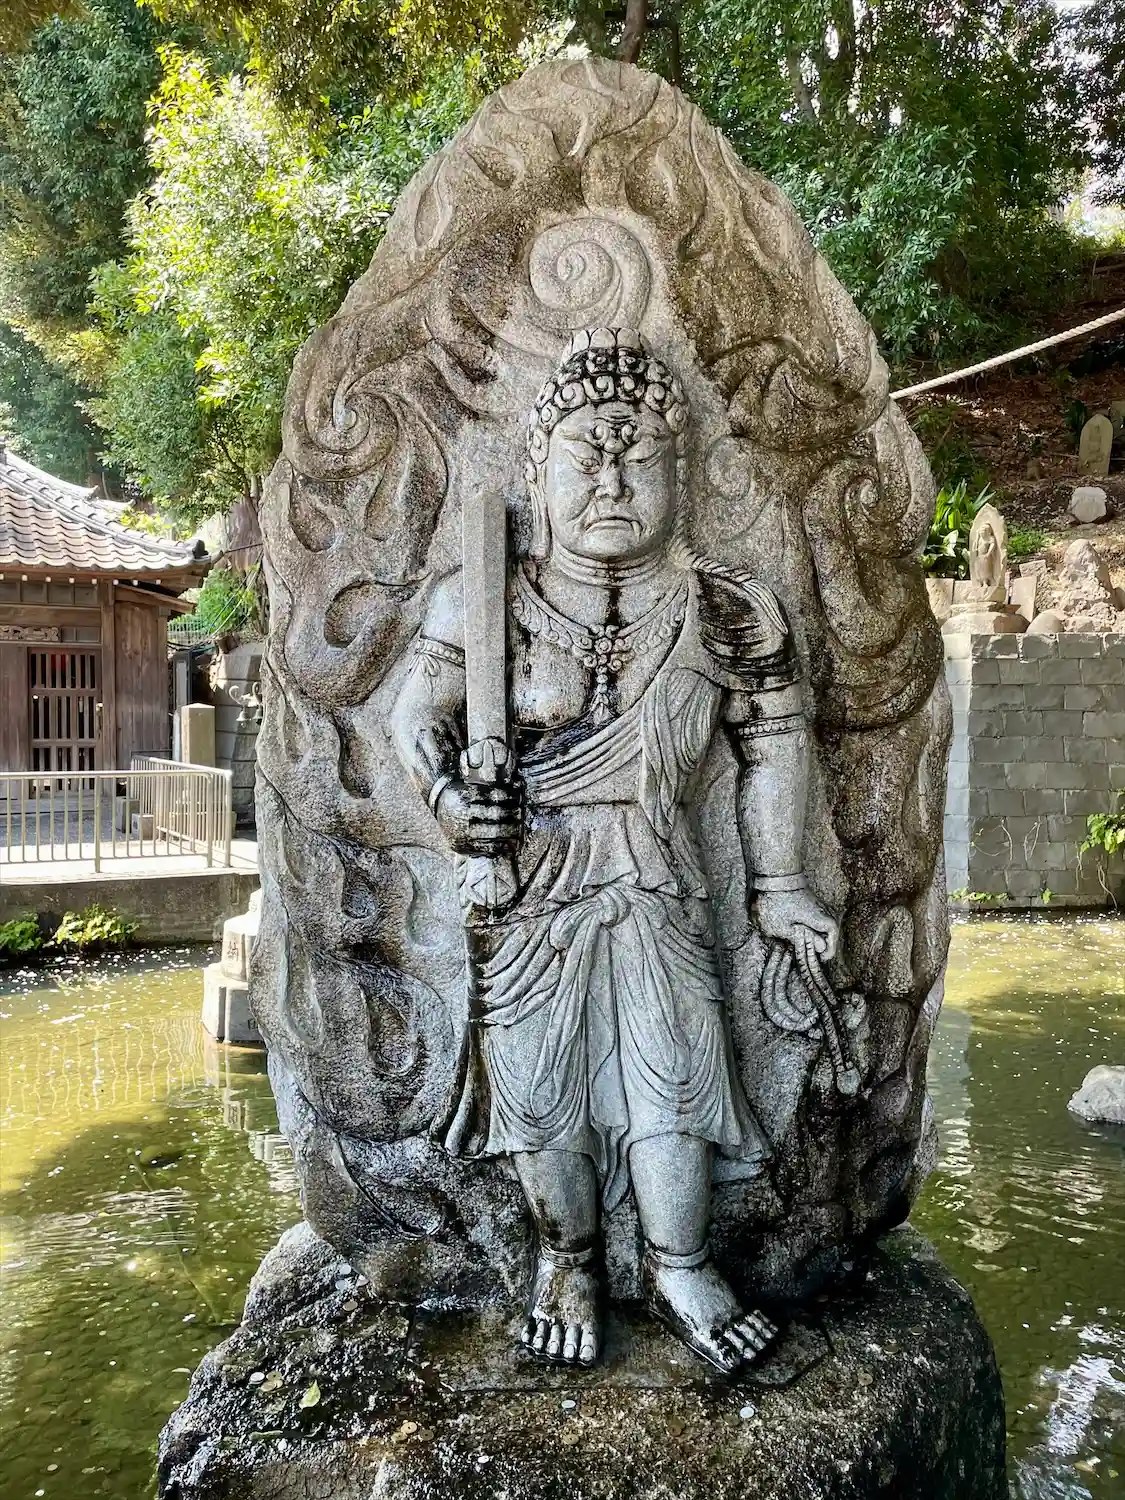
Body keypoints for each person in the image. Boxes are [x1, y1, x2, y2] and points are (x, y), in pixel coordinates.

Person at [391, 327, 839, 1373]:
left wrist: (779, 883)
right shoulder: (484, 600)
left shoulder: (727, 608)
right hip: (528, 876)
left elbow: (774, 740)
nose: (612, 479)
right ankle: (568, 1260)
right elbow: (417, 717)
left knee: (673, 1071)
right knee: (538, 1080)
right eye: (585, 456)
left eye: (640, 455)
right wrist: (453, 803)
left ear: (682, 473)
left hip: (658, 872)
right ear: (536, 472)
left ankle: (681, 1262)